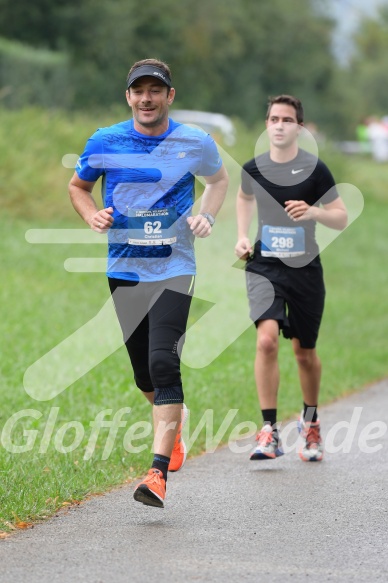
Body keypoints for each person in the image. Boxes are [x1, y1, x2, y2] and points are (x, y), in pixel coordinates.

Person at [69, 58, 228, 507]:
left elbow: (217, 180)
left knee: (163, 362)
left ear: (169, 96)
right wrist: (91, 213)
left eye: (155, 90)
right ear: (128, 97)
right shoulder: (105, 141)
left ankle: (156, 475)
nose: (146, 98)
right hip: (124, 270)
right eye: (138, 90)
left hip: (175, 267)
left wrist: (207, 215)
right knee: (144, 374)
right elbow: (77, 187)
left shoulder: (195, 142)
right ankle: (171, 429)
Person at [235, 95, 347, 462]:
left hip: (305, 270)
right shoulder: (253, 168)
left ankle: (310, 422)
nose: (279, 125)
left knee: (304, 353)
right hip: (265, 266)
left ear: (299, 127)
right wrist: (241, 235)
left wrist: (313, 211)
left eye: (287, 119)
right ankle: (269, 431)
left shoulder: (316, 170)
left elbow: (340, 216)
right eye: (273, 118)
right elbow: (243, 197)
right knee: (266, 341)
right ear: (266, 124)